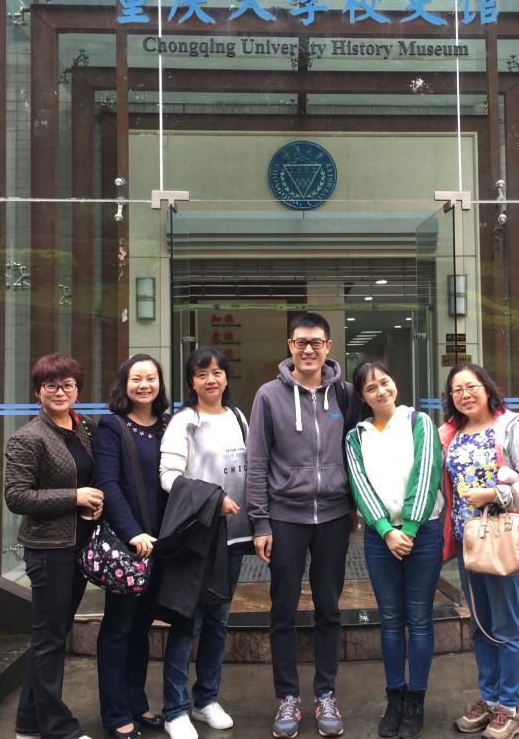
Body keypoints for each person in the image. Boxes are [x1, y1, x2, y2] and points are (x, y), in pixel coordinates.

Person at [246, 312, 355, 739]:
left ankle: (326, 694)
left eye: (316, 342)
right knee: (283, 610)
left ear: (328, 346)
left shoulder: (345, 394)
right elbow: (257, 461)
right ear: (289, 346)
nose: (308, 350)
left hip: (333, 517)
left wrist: (357, 508)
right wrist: (260, 521)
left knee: (329, 608)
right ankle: (287, 697)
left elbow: (358, 451)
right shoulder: (269, 396)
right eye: (300, 342)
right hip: (285, 518)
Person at [439, 363, 519, 739]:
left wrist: (494, 493)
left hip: (501, 540)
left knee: (505, 625)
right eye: (457, 390)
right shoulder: (449, 434)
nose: (465, 394)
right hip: (467, 543)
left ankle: (509, 708)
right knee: (480, 625)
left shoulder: (508, 428)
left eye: (471, 386)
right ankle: (488, 700)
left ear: (487, 389)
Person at [5, 353, 102, 739]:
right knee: (49, 638)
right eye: (51, 385)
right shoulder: (28, 438)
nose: (60, 392)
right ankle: (57, 727)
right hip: (48, 551)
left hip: (78, 545)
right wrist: (75, 497)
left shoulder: (84, 428)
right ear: (38, 392)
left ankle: (28, 724)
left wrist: (94, 502)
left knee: (53, 634)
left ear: (78, 390)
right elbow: (17, 497)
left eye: (67, 385)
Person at [345, 362, 443, 739]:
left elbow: (427, 473)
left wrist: (410, 528)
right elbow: (360, 486)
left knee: (419, 619)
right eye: (371, 388)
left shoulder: (419, 422)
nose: (381, 391)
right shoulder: (356, 436)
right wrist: (386, 530)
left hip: (423, 533)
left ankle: (416, 700)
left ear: (394, 383)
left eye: (385, 382)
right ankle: (395, 698)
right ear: (363, 396)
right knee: (389, 619)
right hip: (379, 537)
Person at [158, 346, 249, 739]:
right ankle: (174, 709)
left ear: (226, 377)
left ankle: (206, 699)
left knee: (218, 621)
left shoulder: (239, 417)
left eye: (217, 372)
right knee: (187, 623)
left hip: (234, 536)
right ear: (191, 382)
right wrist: (213, 499)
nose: (210, 379)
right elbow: (168, 475)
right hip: (198, 538)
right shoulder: (185, 421)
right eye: (201, 374)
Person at [93, 354, 171, 739]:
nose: (144, 385)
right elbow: (107, 483)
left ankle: (136, 702)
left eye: (151, 378)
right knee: (118, 628)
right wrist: (132, 533)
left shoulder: (169, 425)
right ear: (125, 383)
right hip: (131, 546)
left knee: (141, 627)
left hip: (162, 544)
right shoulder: (112, 426)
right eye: (136, 378)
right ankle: (115, 712)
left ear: (160, 384)